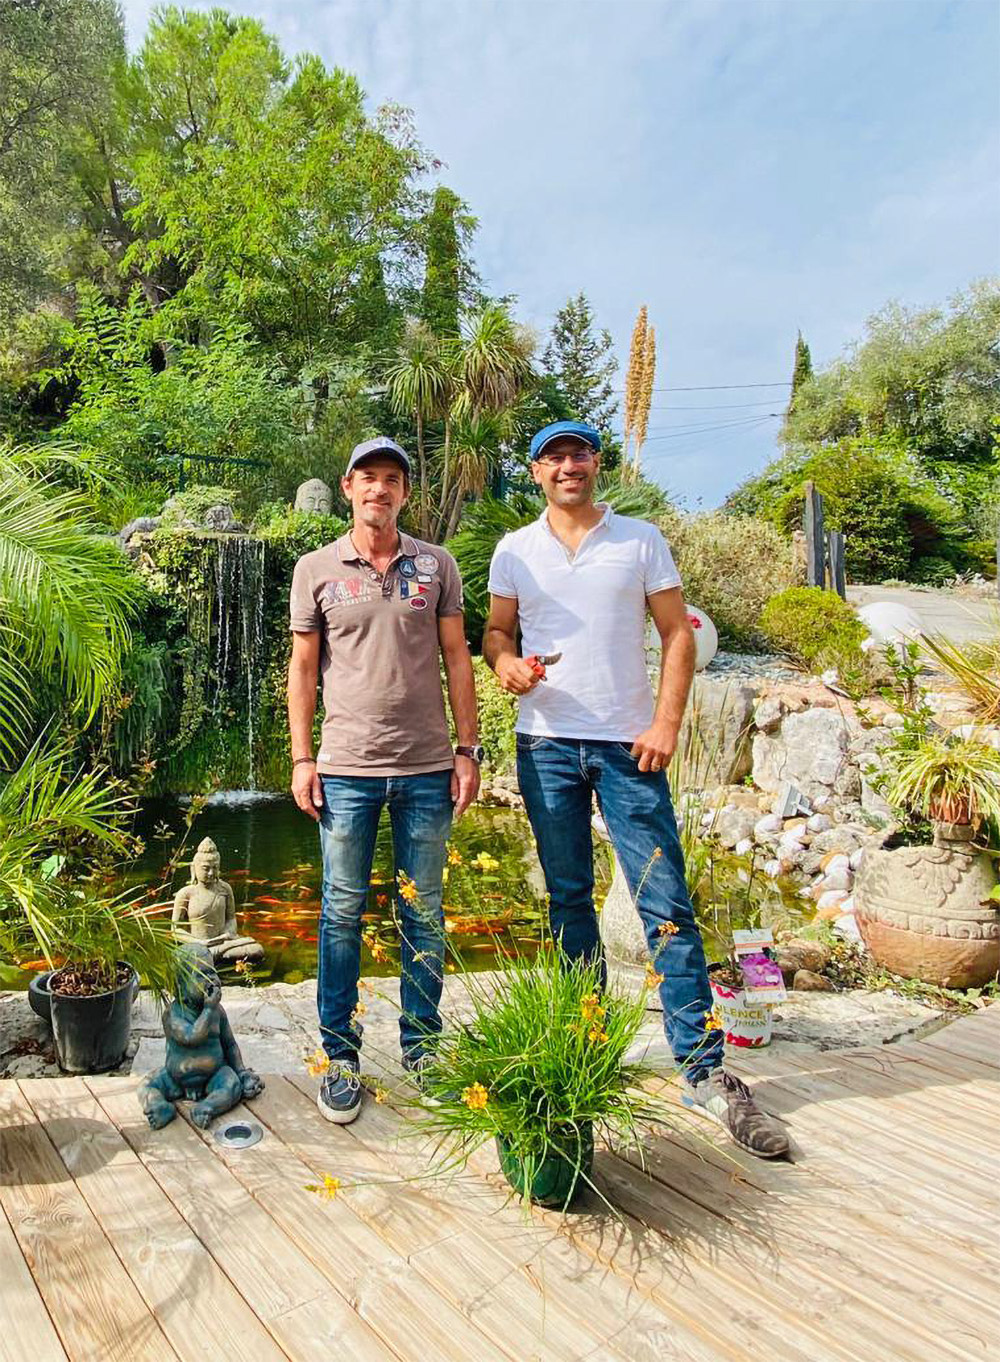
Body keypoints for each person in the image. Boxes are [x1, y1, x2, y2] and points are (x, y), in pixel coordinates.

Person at [484, 419, 788, 1158]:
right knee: (566, 899)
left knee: (666, 903)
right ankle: (583, 1039)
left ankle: (704, 1070)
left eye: (578, 454)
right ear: (534, 472)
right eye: (553, 457)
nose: (567, 467)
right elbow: (495, 633)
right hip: (547, 744)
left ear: (596, 464)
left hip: (631, 747)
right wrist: (506, 665)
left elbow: (678, 632)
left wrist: (667, 723)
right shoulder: (514, 550)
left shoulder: (640, 538)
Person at [288, 436, 482, 1124]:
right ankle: (339, 1056)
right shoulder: (315, 569)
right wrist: (302, 758)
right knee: (341, 913)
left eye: (391, 479)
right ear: (348, 488)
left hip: (429, 768)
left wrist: (469, 749)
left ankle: (423, 1049)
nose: (379, 489)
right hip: (346, 771)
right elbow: (304, 669)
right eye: (367, 478)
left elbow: (458, 658)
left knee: (422, 914)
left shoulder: (437, 565)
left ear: (405, 492)